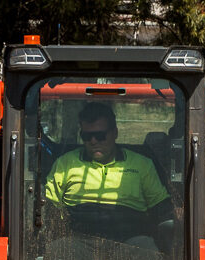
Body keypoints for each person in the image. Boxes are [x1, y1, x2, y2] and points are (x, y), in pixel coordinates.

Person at [44, 102, 173, 245]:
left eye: (100, 135)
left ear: (115, 133)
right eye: (87, 136)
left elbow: (161, 207)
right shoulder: (65, 164)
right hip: (78, 241)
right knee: (58, 250)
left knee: (147, 250)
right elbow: (49, 205)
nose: (93, 141)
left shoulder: (142, 165)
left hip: (131, 242)